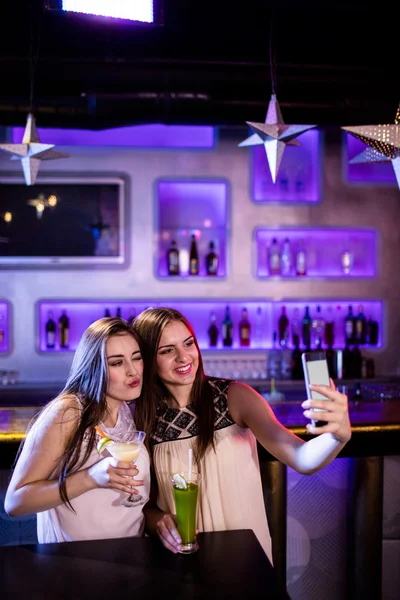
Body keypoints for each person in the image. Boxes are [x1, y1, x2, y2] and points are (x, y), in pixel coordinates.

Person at [133, 307, 352, 561]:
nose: (184, 357)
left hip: (245, 558)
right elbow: (143, 507)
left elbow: (303, 459)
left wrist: (337, 437)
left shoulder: (236, 397)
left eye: (188, 343)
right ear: (148, 359)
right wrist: (158, 520)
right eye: (167, 350)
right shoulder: (143, 418)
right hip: (180, 560)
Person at [4, 317, 150, 543]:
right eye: (117, 363)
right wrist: (90, 477)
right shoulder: (68, 412)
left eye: (137, 358)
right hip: (77, 563)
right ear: (94, 366)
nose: (133, 371)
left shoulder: (127, 410)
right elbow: (16, 502)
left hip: (132, 554)